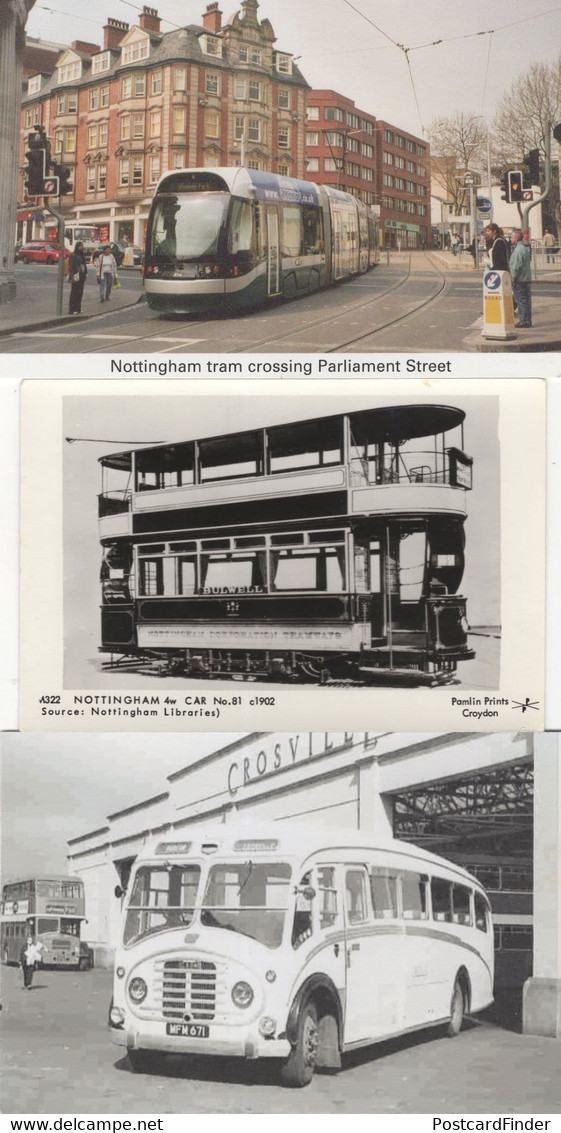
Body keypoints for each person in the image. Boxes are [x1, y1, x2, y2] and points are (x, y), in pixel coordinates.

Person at [509, 228, 532, 328]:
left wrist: (512, 278)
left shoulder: (518, 250)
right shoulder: (523, 249)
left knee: (521, 300)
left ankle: (523, 320)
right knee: (525, 300)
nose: (510, 239)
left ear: (516, 238)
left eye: (511, 237)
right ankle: (527, 320)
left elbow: (516, 266)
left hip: (520, 279)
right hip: (525, 278)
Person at [67, 240, 88, 314]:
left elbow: (84, 265)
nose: (81, 247)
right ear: (77, 247)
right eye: (80, 246)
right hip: (76, 275)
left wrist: (85, 273)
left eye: (82, 246)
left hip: (81, 275)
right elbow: (71, 267)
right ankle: (72, 309)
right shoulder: (73, 255)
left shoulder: (82, 255)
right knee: (74, 293)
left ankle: (78, 308)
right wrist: (71, 277)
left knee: (80, 293)